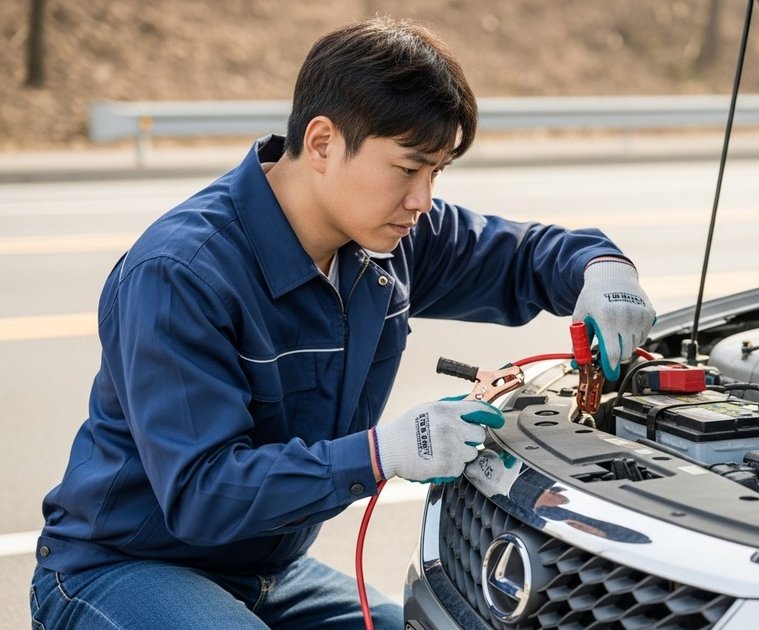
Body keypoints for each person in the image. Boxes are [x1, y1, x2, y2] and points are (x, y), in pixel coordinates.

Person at [29, 16, 654, 630]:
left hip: (269, 572)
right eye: (408, 169)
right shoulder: (181, 273)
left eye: (437, 174)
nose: (423, 200)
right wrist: (380, 453)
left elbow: (520, 257)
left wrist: (602, 269)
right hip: (121, 567)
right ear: (323, 142)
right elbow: (202, 494)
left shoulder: (387, 238)